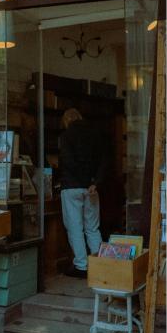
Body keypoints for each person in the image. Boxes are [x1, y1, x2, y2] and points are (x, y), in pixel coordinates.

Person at [59, 108, 106, 278]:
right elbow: (102, 160)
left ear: (66, 120)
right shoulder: (95, 134)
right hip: (91, 188)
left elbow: (68, 161)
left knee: (75, 228)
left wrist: (82, 181)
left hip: (71, 187)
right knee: (92, 227)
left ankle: (82, 266)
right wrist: (94, 182)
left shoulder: (65, 136)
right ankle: (100, 264)